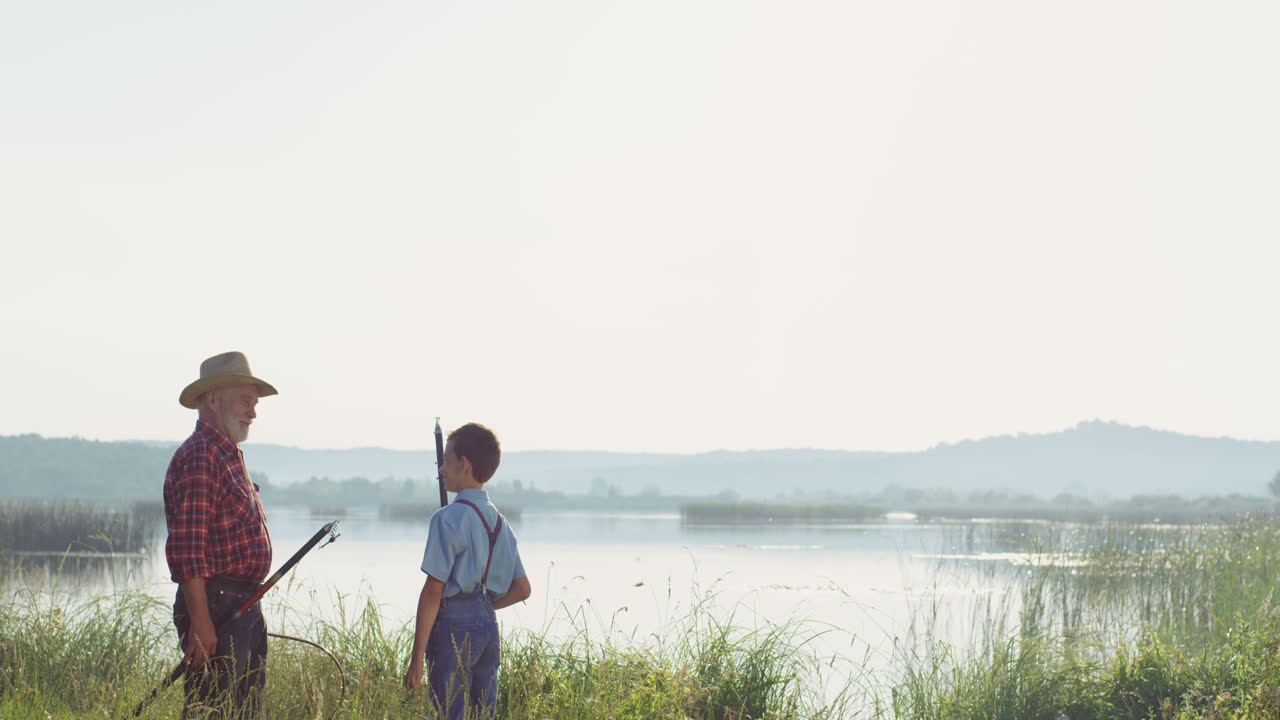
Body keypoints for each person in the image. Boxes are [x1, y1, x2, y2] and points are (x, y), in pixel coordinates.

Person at [163, 351, 277, 719]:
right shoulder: (202, 455)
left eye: (255, 403)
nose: (253, 412)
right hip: (216, 604)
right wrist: (201, 623)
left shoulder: (227, 453)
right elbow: (188, 551)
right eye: (245, 400)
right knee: (212, 710)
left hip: (241, 602)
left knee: (242, 711)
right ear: (212, 398)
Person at [403, 422, 532, 719]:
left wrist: (416, 659)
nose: (442, 470)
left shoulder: (446, 519)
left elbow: (433, 591)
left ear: (464, 464)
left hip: (451, 625)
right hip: (488, 625)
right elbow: (523, 589)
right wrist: (482, 608)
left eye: (446, 461)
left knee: (451, 713)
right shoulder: (501, 523)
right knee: (482, 713)